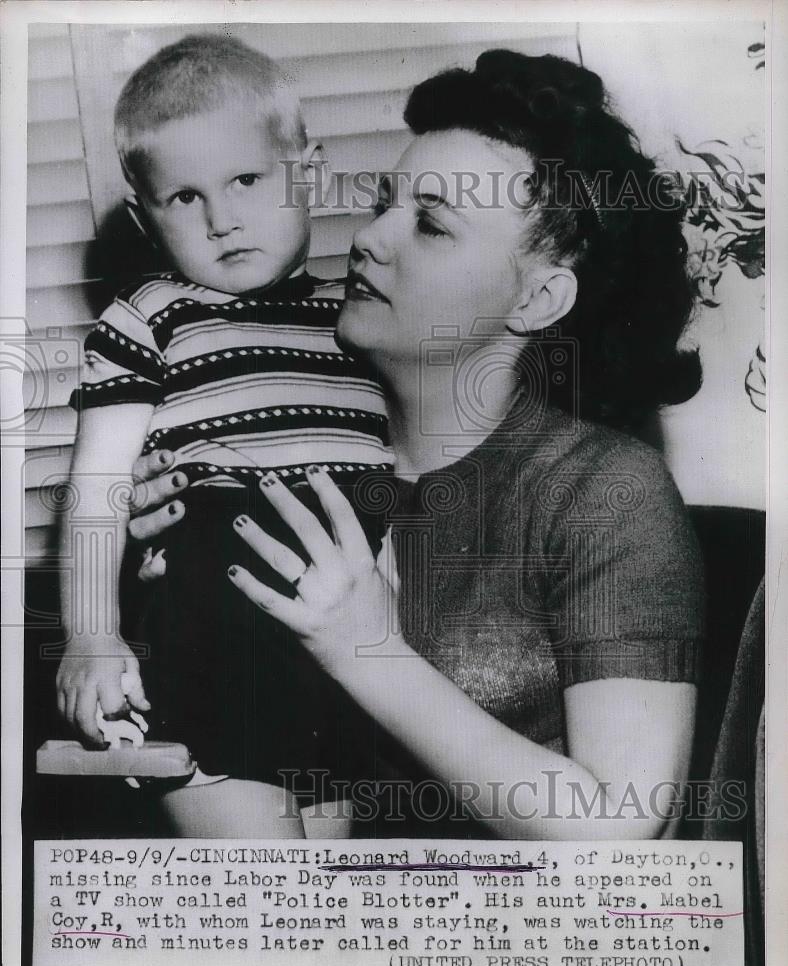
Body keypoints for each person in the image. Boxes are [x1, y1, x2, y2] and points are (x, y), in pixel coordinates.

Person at [128, 50, 705, 839]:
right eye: (383, 204)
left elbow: (621, 832)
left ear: (539, 297)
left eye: (431, 224)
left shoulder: (607, 490)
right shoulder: (256, 442)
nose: (368, 241)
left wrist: (367, 650)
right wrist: (153, 576)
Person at [55, 34, 392, 837]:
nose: (222, 219)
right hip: (215, 647)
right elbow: (98, 487)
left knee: (327, 913)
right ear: (145, 215)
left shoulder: (358, 320)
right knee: (270, 909)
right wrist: (92, 638)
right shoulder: (150, 317)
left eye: (246, 179)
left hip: (348, 658)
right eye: (185, 197)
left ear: (307, 171)